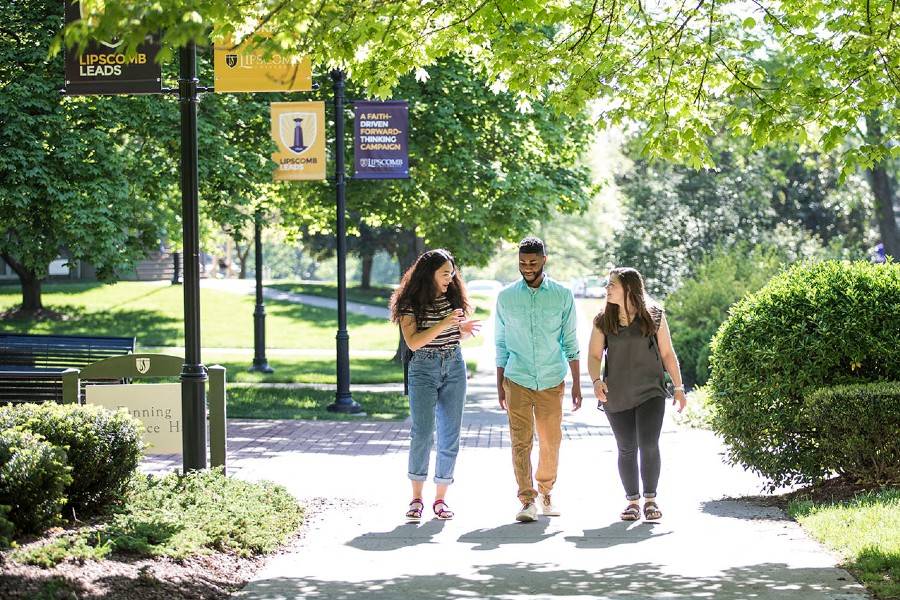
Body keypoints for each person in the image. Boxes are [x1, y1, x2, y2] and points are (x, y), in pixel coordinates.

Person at [587, 267, 687, 522]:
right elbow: (595, 355)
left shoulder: (653, 316)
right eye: (607, 284)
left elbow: (667, 354)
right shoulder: (603, 320)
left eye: (612, 285)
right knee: (627, 448)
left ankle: (651, 500)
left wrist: (678, 387)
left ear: (629, 288)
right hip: (616, 394)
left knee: (648, 443)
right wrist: (596, 381)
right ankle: (632, 502)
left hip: (650, 391)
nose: (607, 289)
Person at [389, 249, 481, 522]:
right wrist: (445, 323)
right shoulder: (409, 303)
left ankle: (440, 499)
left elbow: (452, 335)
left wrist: (461, 331)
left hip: (453, 364)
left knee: (450, 434)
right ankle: (416, 498)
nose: (450, 279)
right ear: (428, 274)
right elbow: (414, 342)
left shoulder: (453, 298)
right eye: (444, 274)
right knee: (423, 432)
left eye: (452, 274)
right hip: (423, 369)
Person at [495, 236, 581, 522]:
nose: (527, 267)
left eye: (532, 262)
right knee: (520, 442)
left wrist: (578, 383)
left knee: (550, 441)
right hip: (517, 377)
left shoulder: (562, 295)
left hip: (550, 378)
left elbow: (570, 341)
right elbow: (501, 342)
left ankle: (546, 491)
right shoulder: (506, 297)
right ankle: (527, 499)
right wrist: (500, 383)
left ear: (544, 259)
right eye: (522, 263)